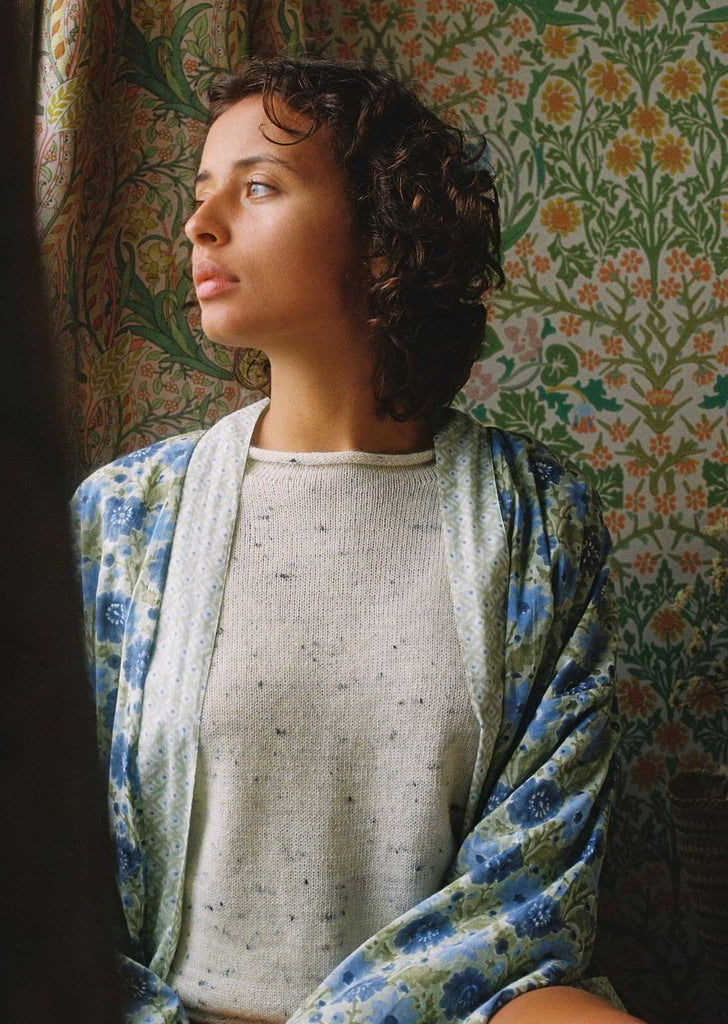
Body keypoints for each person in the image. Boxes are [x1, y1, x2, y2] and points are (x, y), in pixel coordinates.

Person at [72, 56, 644, 1024]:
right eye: (202, 193)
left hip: (449, 1009)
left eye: (258, 187)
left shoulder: (538, 516)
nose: (199, 225)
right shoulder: (121, 517)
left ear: (386, 233)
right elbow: (43, 872)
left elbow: (535, 882)